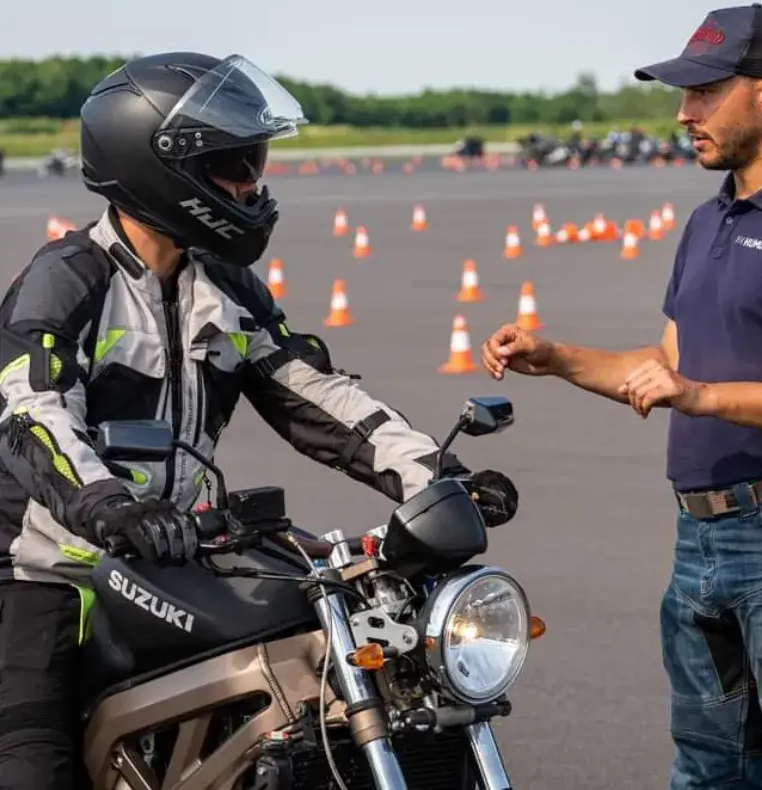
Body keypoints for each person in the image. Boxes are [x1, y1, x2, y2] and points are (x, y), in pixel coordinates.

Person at [0, 51, 518, 790]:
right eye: (232, 166)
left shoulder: (226, 288)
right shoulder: (70, 279)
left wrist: (437, 479)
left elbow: (319, 395)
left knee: (293, 701)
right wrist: (110, 505)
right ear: (157, 166)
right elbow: (35, 411)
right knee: (31, 768)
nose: (251, 184)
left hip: (171, 558)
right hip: (48, 571)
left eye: (254, 163)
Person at [481, 3, 762, 789]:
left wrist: (703, 396)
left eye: (703, 92)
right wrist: (555, 358)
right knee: (706, 768)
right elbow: (664, 366)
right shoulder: (707, 221)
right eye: (682, 95)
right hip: (701, 542)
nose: (684, 113)